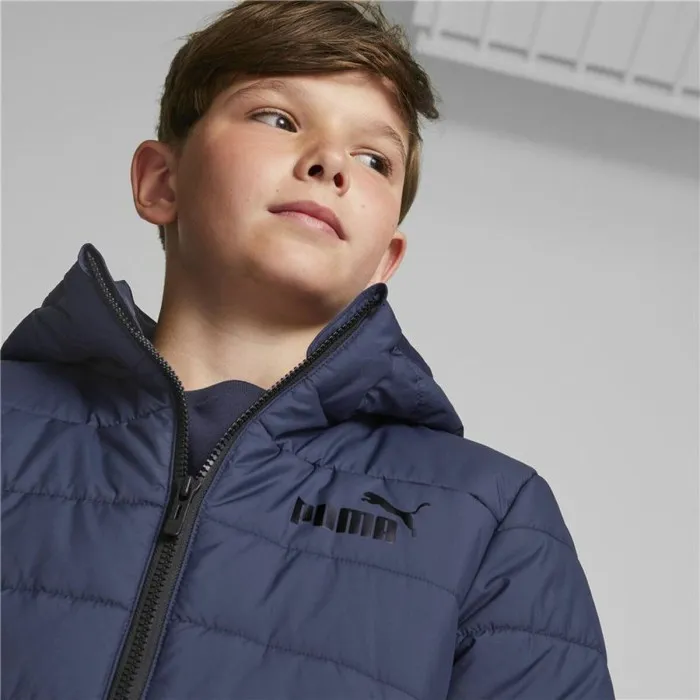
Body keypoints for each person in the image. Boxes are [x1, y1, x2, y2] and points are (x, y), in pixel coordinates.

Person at [1, 1, 616, 698]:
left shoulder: (489, 516)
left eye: (375, 159)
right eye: (278, 119)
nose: (330, 163)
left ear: (384, 260)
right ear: (161, 183)